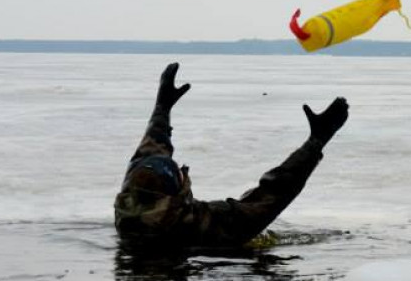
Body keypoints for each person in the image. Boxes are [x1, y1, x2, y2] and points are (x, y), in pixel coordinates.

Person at [114, 63, 349, 248]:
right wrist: (317, 142)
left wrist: (162, 108)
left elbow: (148, 158)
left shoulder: (128, 207)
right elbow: (270, 196)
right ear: (175, 188)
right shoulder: (197, 226)